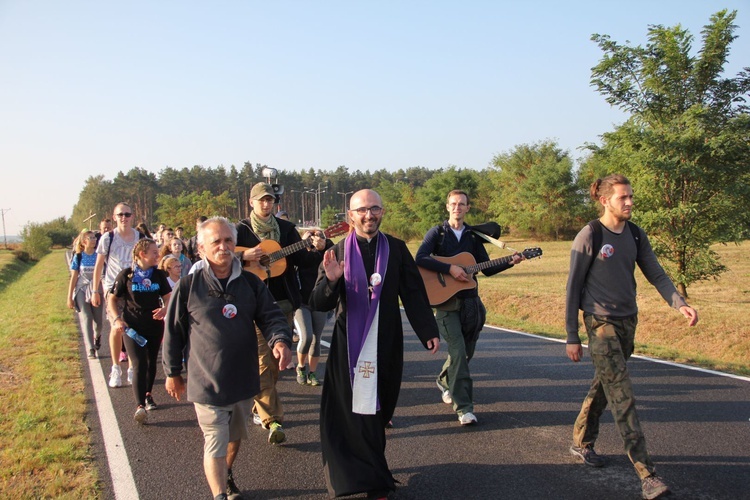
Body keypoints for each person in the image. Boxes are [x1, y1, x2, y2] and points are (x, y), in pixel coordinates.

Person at [565, 174, 699, 500]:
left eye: (630, 197)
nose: (629, 202)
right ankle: (647, 474)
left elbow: (655, 272)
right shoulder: (590, 235)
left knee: (606, 383)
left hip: (628, 323)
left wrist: (679, 303)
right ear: (605, 200)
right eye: (623, 197)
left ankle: (581, 441)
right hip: (600, 324)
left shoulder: (635, 234)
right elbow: (572, 288)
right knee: (623, 396)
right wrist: (571, 335)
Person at [309, 189, 440, 499]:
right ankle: (372, 480)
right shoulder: (337, 252)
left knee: (381, 408)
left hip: (387, 340)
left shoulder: (396, 248)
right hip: (349, 346)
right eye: (362, 210)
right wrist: (330, 281)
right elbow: (318, 302)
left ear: (383, 212)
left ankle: (372, 471)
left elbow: (413, 292)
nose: (369, 215)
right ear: (351, 215)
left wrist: (427, 330)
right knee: (356, 413)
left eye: (375, 209)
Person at [163, 216, 293, 500]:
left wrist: (280, 341)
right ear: (201, 248)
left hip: (243, 379)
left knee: (234, 438)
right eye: (216, 242)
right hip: (206, 381)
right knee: (215, 441)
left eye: (229, 241)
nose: (223, 247)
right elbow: (173, 333)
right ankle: (219, 494)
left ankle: (226, 472)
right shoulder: (188, 286)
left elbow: (271, 316)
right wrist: (173, 372)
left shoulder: (250, 283)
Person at [416, 189, 524, 425]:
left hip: (471, 303)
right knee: (457, 352)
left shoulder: (473, 237)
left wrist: (510, 262)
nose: (457, 207)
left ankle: (444, 380)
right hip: (445, 304)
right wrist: (450, 269)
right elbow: (421, 258)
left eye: (461, 204)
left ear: (467, 208)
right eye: (453, 203)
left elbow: (486, 268)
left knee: (466, 352)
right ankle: (464, 409)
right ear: (447, 207)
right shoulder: (438, 233)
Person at [237, 182, 326, 444]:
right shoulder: (240, 231)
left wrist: (316, 248)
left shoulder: (286, 230)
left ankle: (259, 403)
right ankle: (271, 418)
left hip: (283, 302)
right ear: (252, 202)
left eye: (271, 200)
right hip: (251, 302)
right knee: (264, 359)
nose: (267, 204)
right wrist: (245, 258)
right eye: (262, 200)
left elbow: (302, 261)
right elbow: (218, 255)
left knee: (279, 359)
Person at [108, 238, 171, 424]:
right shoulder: (126, 275)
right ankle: (139, 406)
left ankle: (148, 394)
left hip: (154, 325)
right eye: (154, 252)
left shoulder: (159, 275)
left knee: (152, 362)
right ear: (142, 254)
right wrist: (117, 318)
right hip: (132, 326)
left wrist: (165, 308)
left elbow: (168, 296)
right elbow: (112, 299)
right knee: (138, 363)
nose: (158, 255)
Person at [92, 202, 143, 388]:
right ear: (114, 217)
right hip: (113, 290)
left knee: (133, 328)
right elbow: (99, 266)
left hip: (135, 289)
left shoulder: (140, 237)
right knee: (116, 327)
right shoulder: (108, 238)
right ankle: (115, 368)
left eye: (127, 214)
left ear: (132, 216)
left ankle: (131, 368)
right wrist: (95, 290)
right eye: (120, 214)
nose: (124, 217)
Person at [294, 228, 334, 386]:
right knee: (306, 336)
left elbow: (334, 253)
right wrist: (302, 244)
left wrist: (323, 246)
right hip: (300, 302)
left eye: (317, 236)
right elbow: (292, 261)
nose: (314, 239)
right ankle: (301, 366)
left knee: (316, 339)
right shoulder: (299, 253)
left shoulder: (326, 250)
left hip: (319, 301)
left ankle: (312, 372)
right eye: (310, 236)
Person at [67, 229, 103, 359]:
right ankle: (90, 348)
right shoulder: (79, 256)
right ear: (84, 242)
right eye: (90, 238)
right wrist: (70, 297)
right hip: (81, 289)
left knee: (98, 321)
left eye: (94, 238)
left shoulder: (99, 255)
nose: (94, 240)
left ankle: (97, 336)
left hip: (96, 289)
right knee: (87, 317)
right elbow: (74, 277)